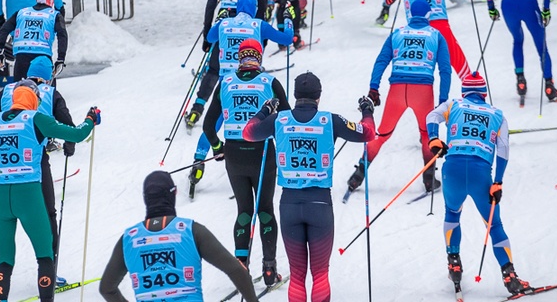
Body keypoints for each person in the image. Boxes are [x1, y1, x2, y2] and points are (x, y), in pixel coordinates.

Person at [243, 72, 376, 302]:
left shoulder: (280, 120)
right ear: (318, 97)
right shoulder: (330, 120)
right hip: (320, 205)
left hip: (289, 205)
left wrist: (266, 109)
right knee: (320, 273)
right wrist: (367, 109)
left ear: (295, 96)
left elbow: (248, 132)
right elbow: (368, 133)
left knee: (297, 275)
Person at [0, 57, 76, 288]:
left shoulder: (8, 91)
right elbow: (69, 129)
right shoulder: (50, 93)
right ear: (48, 76)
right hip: (36, 165)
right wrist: (69, 147)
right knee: (48, 214)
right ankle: (50, 272)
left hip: (5, 165)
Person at [0, 81, 99, 302]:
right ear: (33, 99)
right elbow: (76, 134)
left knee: (5, 259)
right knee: (44, 256)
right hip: (28, 195)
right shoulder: (36, 119)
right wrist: (91, 120)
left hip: (0, 196)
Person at [426, 72, 528, 297]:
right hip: (480, 173)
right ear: (484, 93)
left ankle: (454, 262)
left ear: (465, 92)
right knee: (494, 226)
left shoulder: (453, 104)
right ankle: (509, 275)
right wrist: (498, 182)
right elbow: (503, 150)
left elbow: (432, 117)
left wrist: (434, 138)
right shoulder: (497, 115)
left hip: (452, 169)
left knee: (452, 214)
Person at [200, 39, 289, 284]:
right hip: (261, 154)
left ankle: (241, 268)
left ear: (240, 58)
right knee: (265, 210)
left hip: (234, 155)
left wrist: (218, 148)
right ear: (258, 58)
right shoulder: (269, 83)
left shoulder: (225, 82)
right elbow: (287, 121)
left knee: (244, 211)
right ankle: (269, 269)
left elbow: (209, 126)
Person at [99, 171, 260, 302]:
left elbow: (106, 288)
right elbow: (237, 270)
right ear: (173, 194)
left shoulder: (129, 239)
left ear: (146, 198)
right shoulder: (191, 231)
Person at [345, 0, 451, 195]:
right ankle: (429, 179)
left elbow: (381, 61)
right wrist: (443, 100)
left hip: (397, 90)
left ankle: (358, 174)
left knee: (382, 135)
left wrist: (374, 89)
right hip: (423, 91)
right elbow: (445, 70)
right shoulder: (436, 35)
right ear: (429, 15)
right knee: (428, 134)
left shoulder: (398, 33)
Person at [185, 0, 292, 154]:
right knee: (256, 121)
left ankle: (199, 159)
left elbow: (210, 37)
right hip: (254, 81)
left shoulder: (225, 24)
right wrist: (288, 19)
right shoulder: (258, 25)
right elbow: (287, 39)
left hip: (227, 82)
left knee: (215, 122)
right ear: (254, 9)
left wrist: (220, 19)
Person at [0, 0, 67, 79]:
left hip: (21, 58)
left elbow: (4, 29)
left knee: (20, 91)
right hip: (43, 59)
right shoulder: (54, 15)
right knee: (46, 91)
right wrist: (60, 59)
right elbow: (62, 35)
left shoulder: (22, 12)